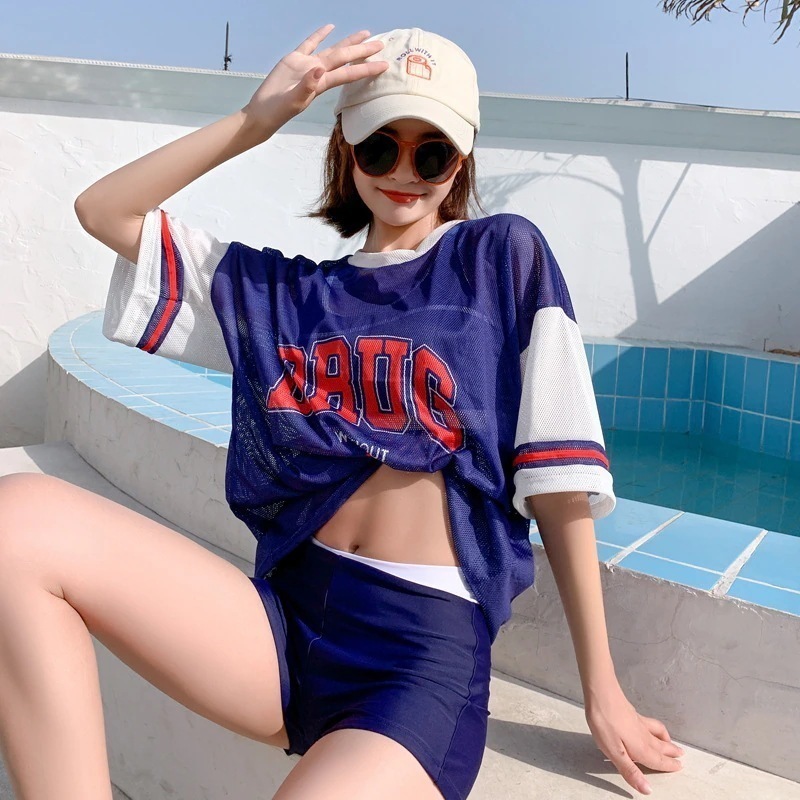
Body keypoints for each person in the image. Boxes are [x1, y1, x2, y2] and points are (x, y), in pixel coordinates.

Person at [0, 23, 684, 800]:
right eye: (380, 146)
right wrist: (256, 120)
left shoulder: (501, 259)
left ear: (460, 161)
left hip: (416, 659)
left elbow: (557, 483)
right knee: (16, 523)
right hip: (281, 626)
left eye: (432, 153)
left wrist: (603, 689)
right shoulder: (286, 297)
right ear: (346, 149)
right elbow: (102, 211)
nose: (404, 173)